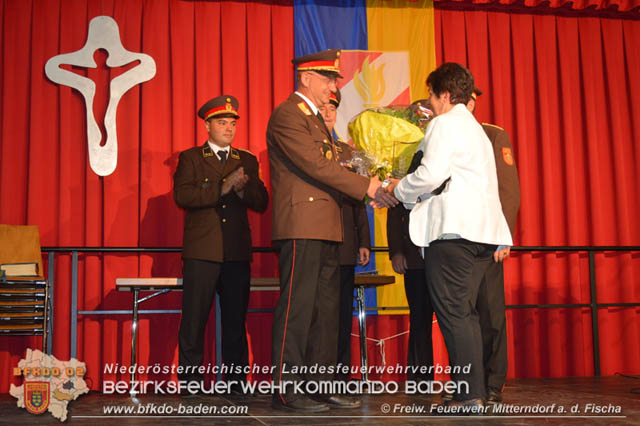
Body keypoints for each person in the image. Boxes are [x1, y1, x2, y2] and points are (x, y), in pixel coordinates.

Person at [266, 49, 396, 412]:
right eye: (328, 79)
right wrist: (368, 186)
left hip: (327, 226)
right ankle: (286, 388)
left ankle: (319, 384)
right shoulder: (288, 115)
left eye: (335, 79)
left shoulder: (315, 119)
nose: (333, 86)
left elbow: (333, 166)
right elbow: (315, 166)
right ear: (306, 78)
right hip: (302, 224)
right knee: (298, 308)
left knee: (325, 313)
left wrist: (377, 185)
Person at [387, 63, 512, 409]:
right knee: (466, 314)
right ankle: (470, 391)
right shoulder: (474, 129)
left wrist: (398, 189)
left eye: (430, 93)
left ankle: (468, 394)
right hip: (482, 233)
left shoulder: (444, 123)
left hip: (452, 232)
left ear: (444, 94)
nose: (429, 101)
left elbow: (431, 175)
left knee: (454, 314)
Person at [173, 95, 269, 396]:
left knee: (235, 321)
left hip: (236, 252)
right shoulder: (191, 157)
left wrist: (242, 191)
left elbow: (263, 202)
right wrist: (222, 187)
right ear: (207, 125)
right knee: (194, 320)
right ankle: (190, 384)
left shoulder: (247, 159)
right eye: (222, 122)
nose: (228, 128)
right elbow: (183, 197)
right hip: (203, 251)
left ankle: (236, 383)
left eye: (232, 123)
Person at [467, 88, 521, 404]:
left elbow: (508, 188)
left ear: (471, 103)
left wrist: (504, 234)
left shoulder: (492, 135)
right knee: (464, 314)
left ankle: (492, 380)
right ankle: (471, 381)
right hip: (457, 237)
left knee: (489, 313)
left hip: (488, 238)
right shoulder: (445, 135)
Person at [319, 90, 371, 381]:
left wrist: (364, 241)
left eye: (332, 109)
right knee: (320, 315)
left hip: (345, 244)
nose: (328, 114)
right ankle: (318, 376)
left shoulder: (348, 153)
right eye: (324, 108)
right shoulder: (311, 149)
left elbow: (358, 202)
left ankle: (340, 377)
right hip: (318, 241)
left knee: (341, 315)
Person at [386, 102, 435, 384]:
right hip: (415, 253)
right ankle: (420, 379)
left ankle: (463, 382)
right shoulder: (404, 156)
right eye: (418, 119)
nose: (422, 124)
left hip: (443, 249)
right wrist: (396, 250)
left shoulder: (442, 149)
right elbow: (395, 209)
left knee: (453, 319)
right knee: (419, 319)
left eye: (427, 119)